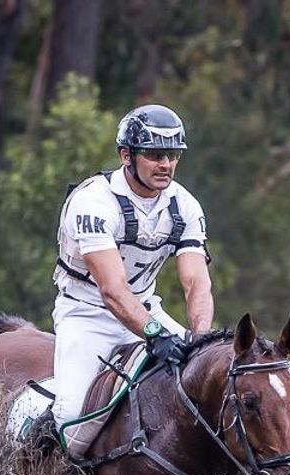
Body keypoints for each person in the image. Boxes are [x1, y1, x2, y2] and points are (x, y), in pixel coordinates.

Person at [50, 104, 213, 456]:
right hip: (86, 314)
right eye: (155, 155)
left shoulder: (185, 206)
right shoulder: (93, 201)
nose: (166, 165)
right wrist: (154, 334)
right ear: (126, 155)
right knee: (72, 415)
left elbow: (197, 283)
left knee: (209, 387)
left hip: (145, 308)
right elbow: (112, 289)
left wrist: (200, 339)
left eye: (172, 155)